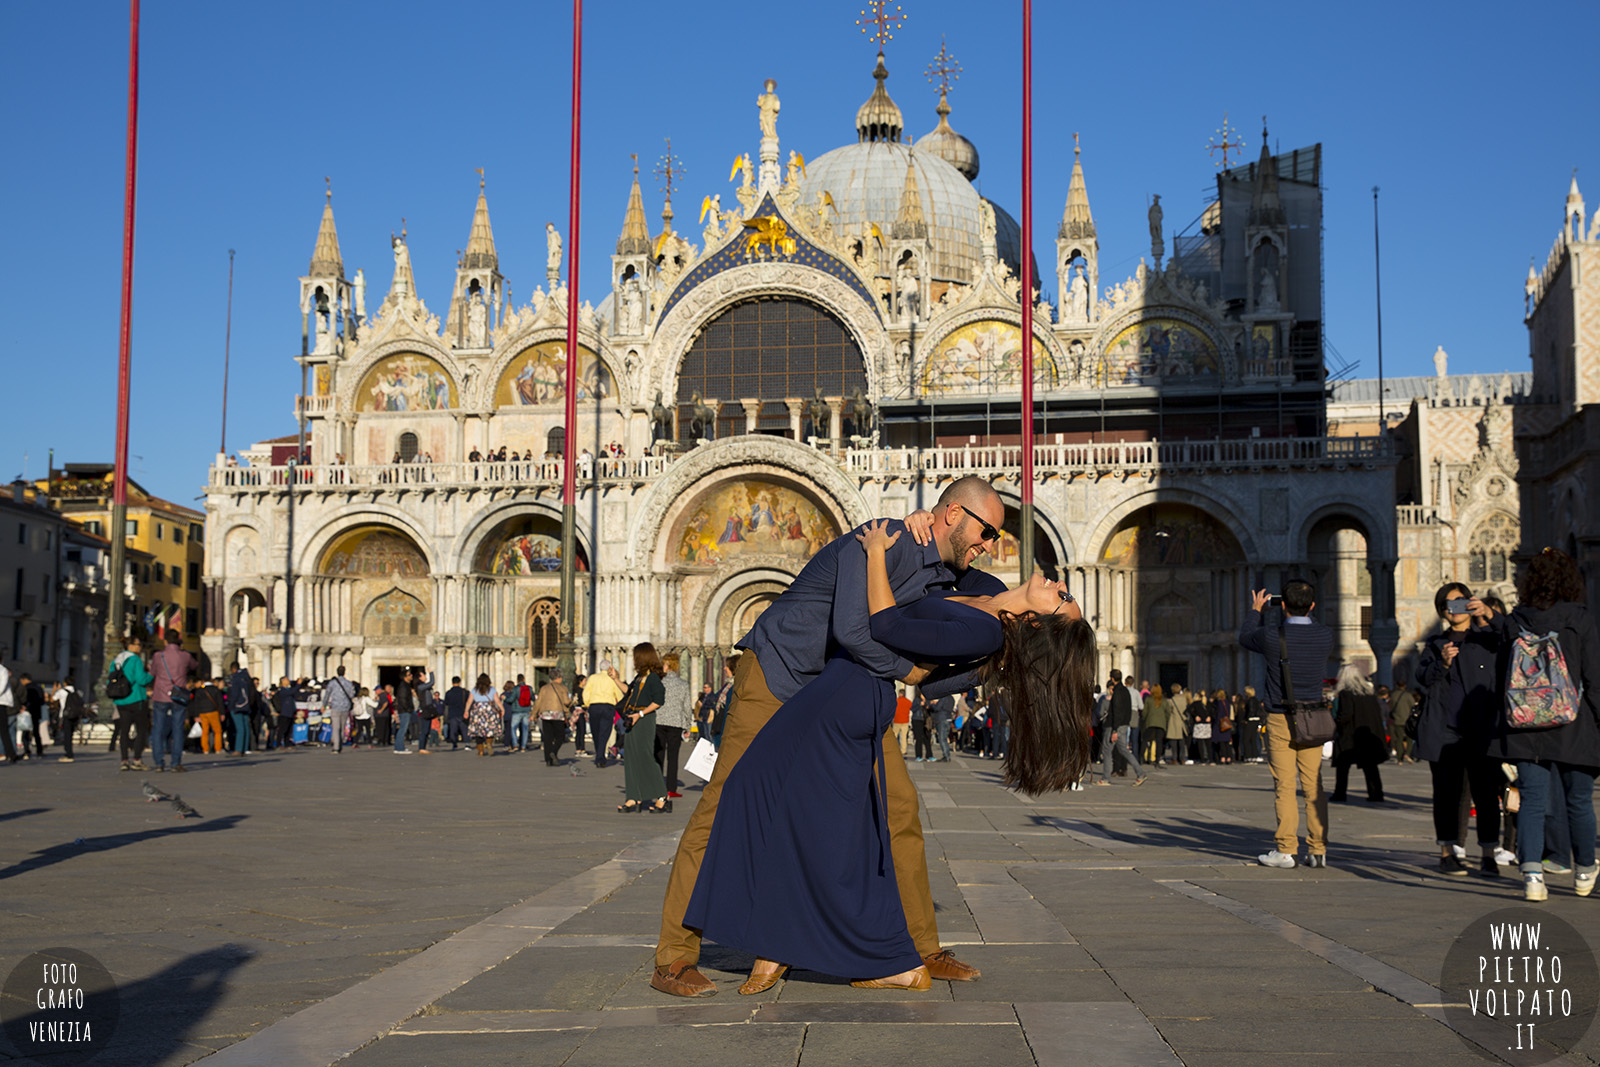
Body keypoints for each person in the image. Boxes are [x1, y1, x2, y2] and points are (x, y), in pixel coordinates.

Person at [683, 520, 1094, 992]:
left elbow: (884, 628)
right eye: (987, 532)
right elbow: (952, 550)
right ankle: (799, 945)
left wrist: (876, 551)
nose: (1060, 584)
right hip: (837, 688)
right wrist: (925, 519)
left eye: (1062, 598)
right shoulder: (985, 590)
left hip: (847, 695)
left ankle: (878, 957)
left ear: (1037, 623)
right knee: (816, 816)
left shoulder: (987, 634)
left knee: (815, 815)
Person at [652, 481, 1010, 999]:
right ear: (953, 513)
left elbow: (996, 595)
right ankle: (674, 956)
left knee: (898, 806)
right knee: (726, 803)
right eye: (987, 531)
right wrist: (909, 673)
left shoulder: (947, 573)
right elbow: (853, 632)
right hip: (778, 675)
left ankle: (916, 948)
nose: (991, 543)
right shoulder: (882, 539)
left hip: (842, 691)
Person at [1487, 549, 1600, 902]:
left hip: (1525, 724)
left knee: (1533, 802)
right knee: (1579, 800)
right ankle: (1584, 871)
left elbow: (1499, 679)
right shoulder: (1579, 618)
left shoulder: (1513, 621)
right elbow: (1594, 675)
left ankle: (1533, 876)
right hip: (1573, 722)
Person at [1239, 581, 1334, 869]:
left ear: (1282, 605)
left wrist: (1256, 610)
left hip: (1281, 718)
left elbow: (1244, 637)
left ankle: (1286, 850)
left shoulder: (1271, 635)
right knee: (1313, 786)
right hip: (1314, 718)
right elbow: (1310, 625)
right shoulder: (1325, 635)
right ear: (1313, 606)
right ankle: (1318, 850)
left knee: (1284, 785)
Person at [1416, 582, 1503, 877]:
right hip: (1445, 730)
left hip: (1482, 727)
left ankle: (1489, 854)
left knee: (1486, 794)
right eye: (1447, 604)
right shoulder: (1435, 644)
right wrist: (1442, 663)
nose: (1453, 609)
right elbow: (1423, 678)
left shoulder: (1488, 639)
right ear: (1442, 611)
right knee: (1446, 795)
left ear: (1470, 602)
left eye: (1460, 601)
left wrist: (1488, 613)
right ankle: (1447, 852)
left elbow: (1513, 636)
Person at [619, 643, 670, 814]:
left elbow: (659, 700)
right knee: (631, 757)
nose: (633, 659)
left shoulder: (654, 678)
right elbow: (629, 693)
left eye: (635, 656)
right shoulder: (639, 678)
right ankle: (633, 797)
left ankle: (662, 796)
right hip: (631, 719)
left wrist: (640, 714)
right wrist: (615, 679)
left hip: (644, 720)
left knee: (646, 757)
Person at [1329, 665, 1388, 803]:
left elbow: (1346, 714)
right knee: (1370, 766)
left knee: (1343, 765)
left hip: (1350, 734)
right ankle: (1376, 793)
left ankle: (1340, 793)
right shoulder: (1369, 693)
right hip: (1368, 734)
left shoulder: (1346, 693)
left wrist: (1337, 723)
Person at [148, 630, 197, 773]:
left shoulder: (158, 656)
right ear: (179, 641)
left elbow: (152, 673)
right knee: (177, 729)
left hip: (161, 695)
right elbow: (194, 665)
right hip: (178, 696)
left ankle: (158, 762)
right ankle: (175, 763)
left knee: (158, 728)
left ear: (165, 641)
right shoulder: (185, 656)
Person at [110, 636, 153, 771]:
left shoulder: (116, 660)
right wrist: (151, 675)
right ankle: (137, 759)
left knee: (124, 730)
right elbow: (141, 680)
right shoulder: (135, 659)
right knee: (141, 730)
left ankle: (124, 760)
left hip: (121, 700)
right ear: (132, 646)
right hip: (135, 698)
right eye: (139, 644)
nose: (140, 647)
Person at [1097, 670, 1146, 785]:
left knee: (1107, 750)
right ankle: (1140, 773)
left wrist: (1115, 730)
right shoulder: (1125, 691)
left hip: (1114, 726)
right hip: (1123, 725)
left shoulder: (1118, 692)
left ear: (1112, 679)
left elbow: (1117, 711)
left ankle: (1105, 778)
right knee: (1123, 750)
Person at [657, 654, 693, 797]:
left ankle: (657, 786)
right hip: (675, 724)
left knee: (658, 755)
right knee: (673, 757)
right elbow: (687, 707)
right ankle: (671, 789)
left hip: (658, 722)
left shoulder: (659, 682)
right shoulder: (683, 684)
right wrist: (687, 727)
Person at [584, 662, 624, 768]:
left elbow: (586, 692)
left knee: (595, 732)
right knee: (604, 733)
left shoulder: (592, 678)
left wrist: (587, 703)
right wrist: (621, 704)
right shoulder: (611, 679)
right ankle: (600, 757)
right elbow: (618, 693)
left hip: (594, 706)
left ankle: (599, 755)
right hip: (607, 707)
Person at [535, 670, 573, 766]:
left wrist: (533, 714)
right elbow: (566, 701)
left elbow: (538, 702)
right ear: (559, 677)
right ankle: (553, 751)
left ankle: (548, 760)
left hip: (545, 714)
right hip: (558, 714)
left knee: (547, 737)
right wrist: (571, 701)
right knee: (560, 736)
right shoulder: (563, 688)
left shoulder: (544, 688)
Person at [467, 673, 504, 757]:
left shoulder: (474, 690)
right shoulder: (492, 689)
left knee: (478, 731)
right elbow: (497, 701)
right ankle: (489, 743)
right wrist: (502, 709)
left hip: (477, 710)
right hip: (489, 709)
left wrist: (466, 711)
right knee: (490, 729)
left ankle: (480, 751)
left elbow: (469, 701)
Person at [225, 662, 257, 757]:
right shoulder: (246, 678)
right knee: (245, 727)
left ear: (233, 669)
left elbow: (234, 693)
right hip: (246, 705)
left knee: (240, 728)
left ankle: (238, 749)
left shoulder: (236, 678)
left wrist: (231, 705)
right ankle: (245, 748)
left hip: (237, 705)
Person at [324, 666, 357, 754]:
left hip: (335, 706)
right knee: (342, 727)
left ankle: (336, 746)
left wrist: (324, 704)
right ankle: (340, 743)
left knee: (336, 727)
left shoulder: (332, 683)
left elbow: (327, 694)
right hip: (345, 707)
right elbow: (351, 695)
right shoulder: (349, 683)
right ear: (344, 672)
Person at [191, 675, 226, 756]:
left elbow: (196, 704)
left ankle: (205, 749)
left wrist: (196, 715)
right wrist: (222, 713)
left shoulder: (200, 690)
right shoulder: (215, 689)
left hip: (202, 713)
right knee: (217, 731)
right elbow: (220, 702)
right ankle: (218, 748)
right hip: (213, 712)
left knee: (204, 732)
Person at [1389, 681, 1418, 763]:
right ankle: (1408, 754)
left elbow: (1391, 707)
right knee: (1409, 738)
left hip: (1398, 719)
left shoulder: (1394, 695)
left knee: (1399, 738)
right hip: (1408, 719)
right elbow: (1413, 706)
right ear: (1405, 685)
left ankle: (1399, 757)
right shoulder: (1408, 695)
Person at [1142, 685, 1167, 766]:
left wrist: (1144, 719)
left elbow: (1145, 711)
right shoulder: (1163, 700)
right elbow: (1168, 712)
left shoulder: (1148, 699)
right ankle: (1157, 760)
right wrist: (1165, 720)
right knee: (1159, 742)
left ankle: (1140, 758)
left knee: (1145, 740)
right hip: (1161, 723)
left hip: (1150, 723)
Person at [509, 674, 534, 753]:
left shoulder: (516, 689)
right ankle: (523, 747)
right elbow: (533, 698)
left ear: (517, 680)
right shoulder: (529, 688)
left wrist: (505, 699)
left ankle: (515, 744)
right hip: (527, 711)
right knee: (525, 729)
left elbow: (511, 699)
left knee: (513, 728)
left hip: (517, 711)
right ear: (524, 679)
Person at [443, 676, 469, 750]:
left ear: (452, 683)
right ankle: (467, 744)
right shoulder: (465, 692)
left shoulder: (448, 693)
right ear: (460, 682)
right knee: (464, 729)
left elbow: (446, 703)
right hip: (462, 713)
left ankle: (454, 744)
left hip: (452, 713)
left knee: (453, 730)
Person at [0, 653, 17, 763]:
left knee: (3, 729)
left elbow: (2, 686)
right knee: (4, 730)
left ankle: (11, 754)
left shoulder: (3, 670)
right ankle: (11, 754)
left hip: (1, 702)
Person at [891, 686, 913, 756]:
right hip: (905, 721)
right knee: (903, 737)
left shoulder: (896, 701)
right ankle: (903, 750)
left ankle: (892, 749)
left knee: (894, 737)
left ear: (900, 694)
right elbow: (911, 708)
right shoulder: (908, 702)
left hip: (897, 721)